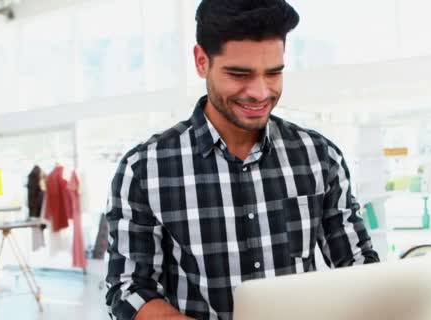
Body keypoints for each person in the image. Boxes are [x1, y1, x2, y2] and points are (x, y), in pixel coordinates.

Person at [105, 1, 379, 319]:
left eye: (273, 73)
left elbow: (358, 267)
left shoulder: (320, 157)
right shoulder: (144, 170)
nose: (260, 92)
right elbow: (130, 290)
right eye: (239, 74)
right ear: (201, 61)